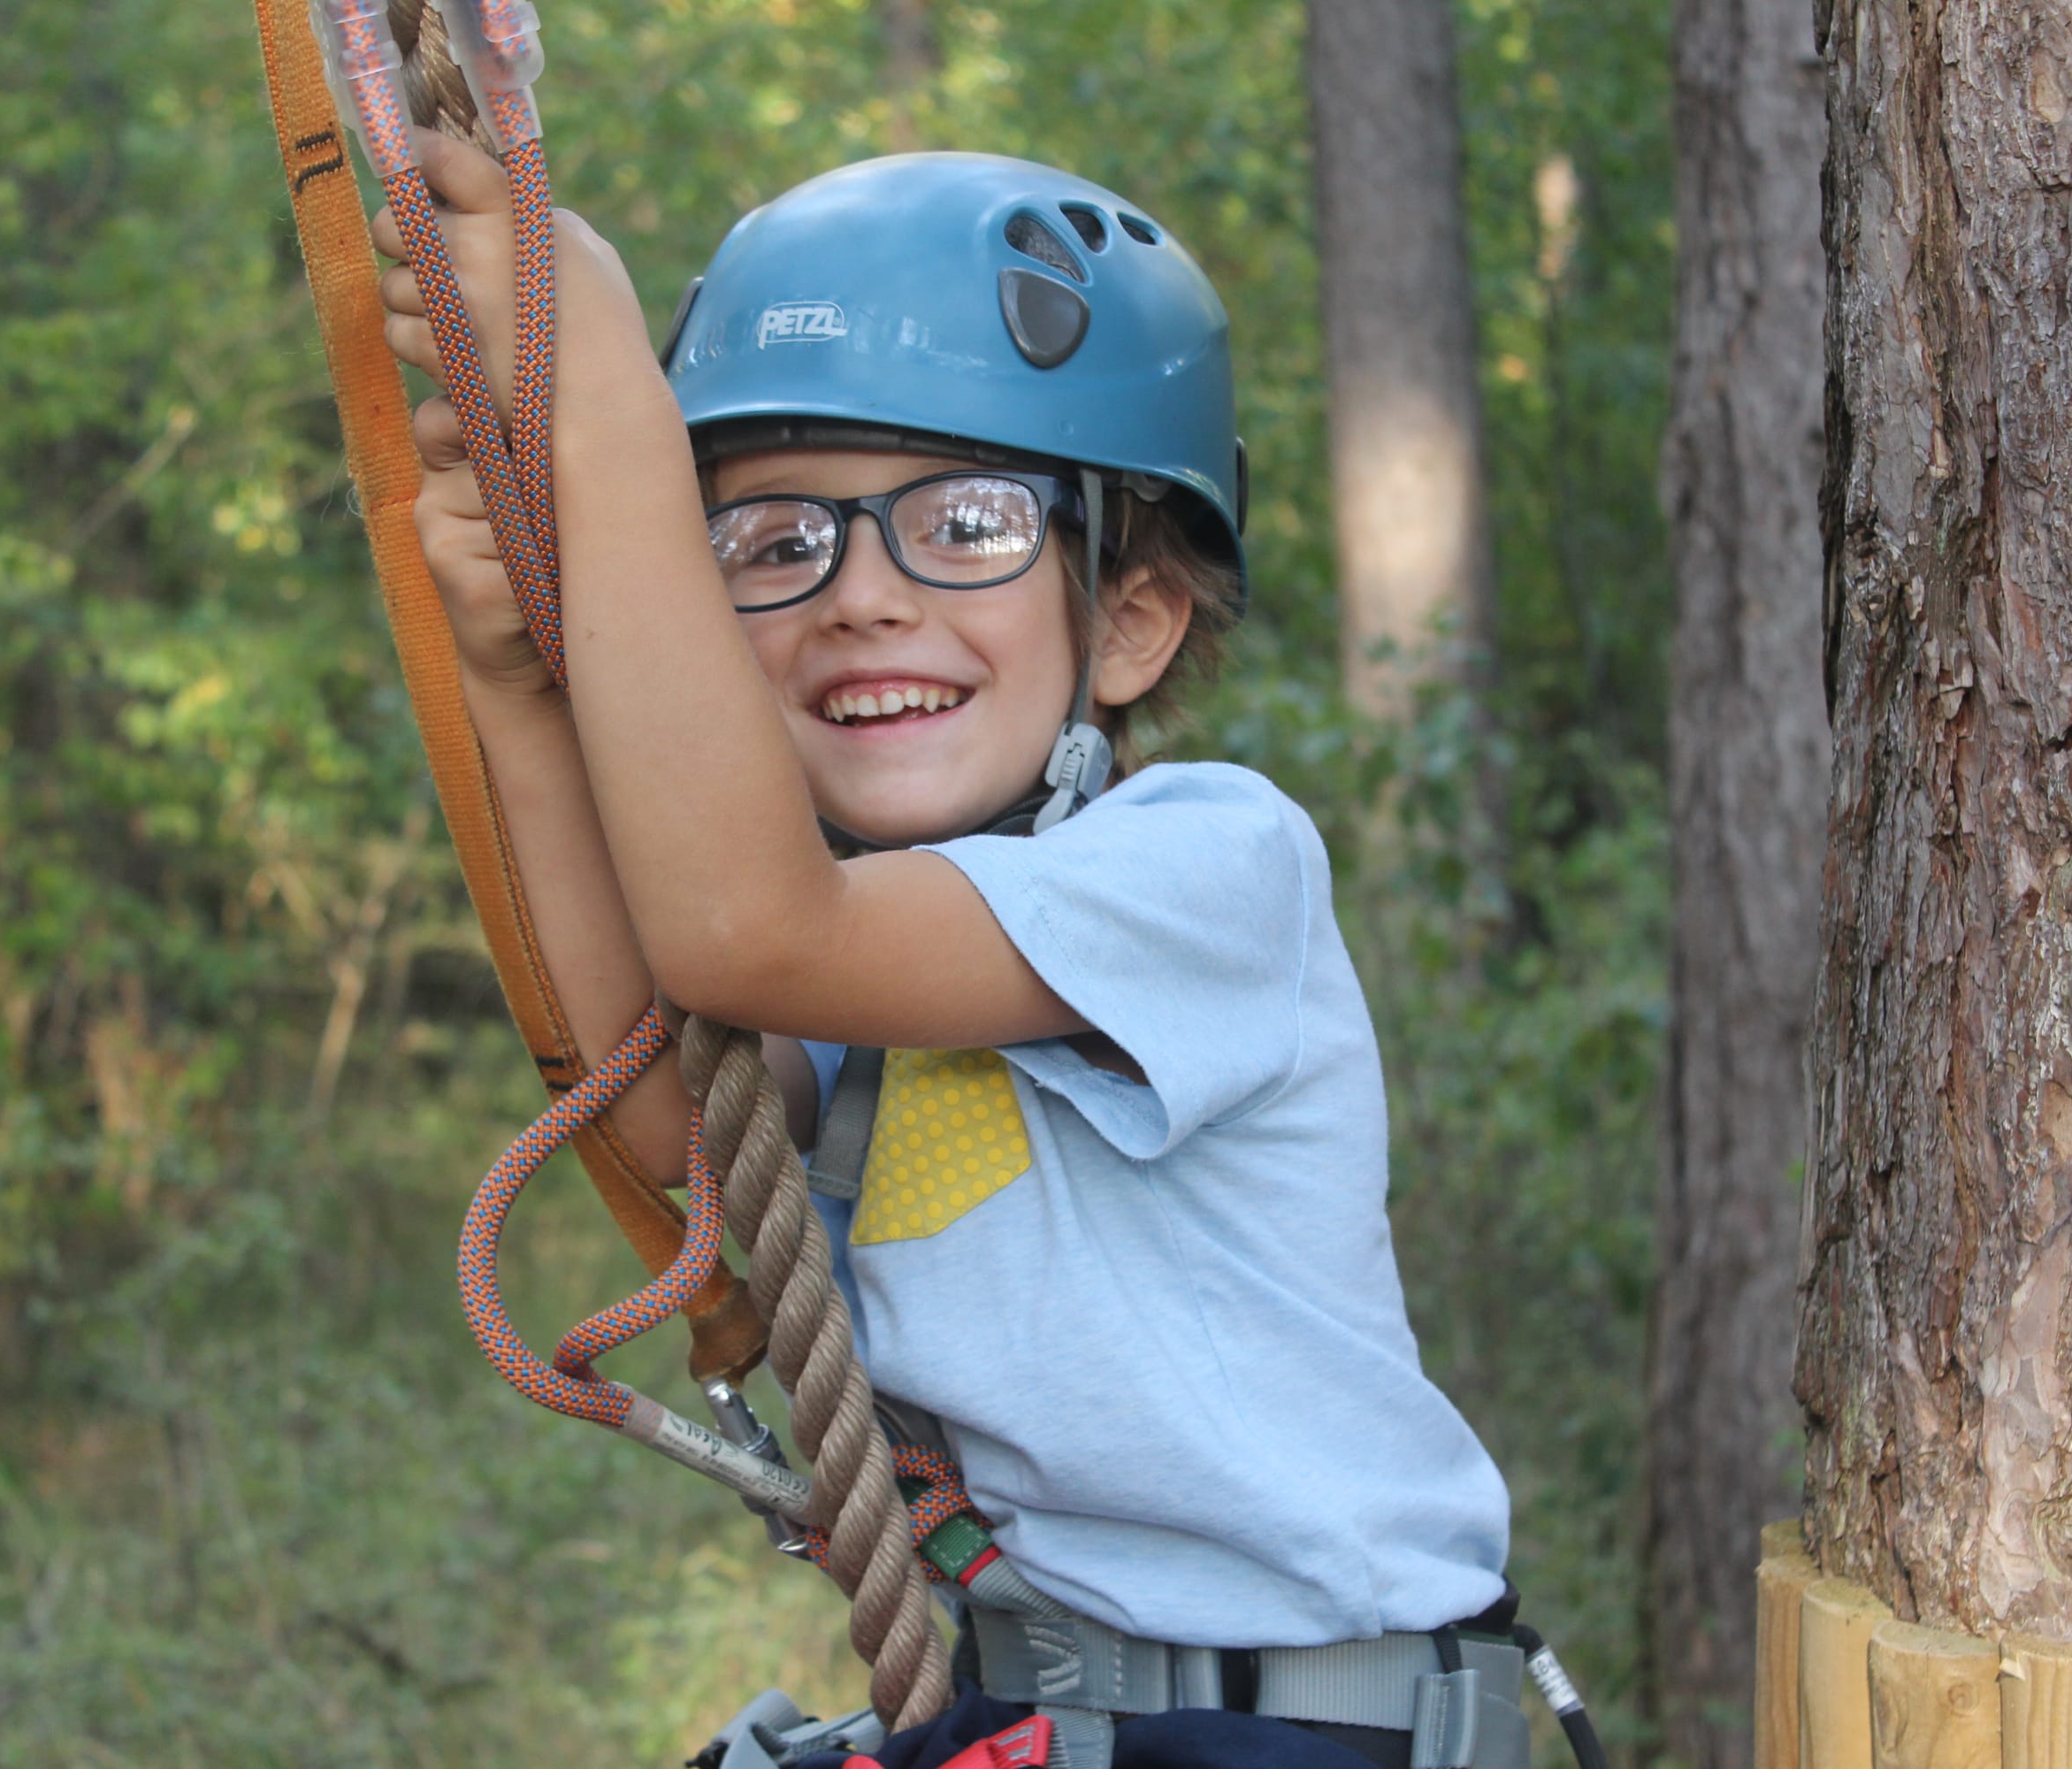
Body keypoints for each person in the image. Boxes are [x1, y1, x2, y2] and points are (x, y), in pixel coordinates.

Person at [371, 142, 1518, 1769]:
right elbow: (670, 1118)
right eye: (772, 545)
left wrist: (607, 408)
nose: (858, 599)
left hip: (1296, 1724)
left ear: (1130, 615)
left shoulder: (1205, 865)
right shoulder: (865, 980)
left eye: (964, 526)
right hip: (1063, 1714)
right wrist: (518, 687)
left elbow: (748, 931)